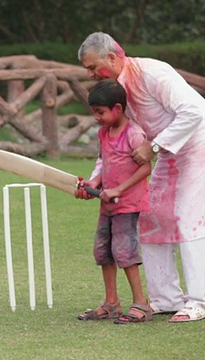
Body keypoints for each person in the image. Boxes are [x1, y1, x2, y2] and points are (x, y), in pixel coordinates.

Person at [77, 32, 205, 322]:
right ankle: (165, 298)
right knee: (149, 215)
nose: (90, 74)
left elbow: (192, 113)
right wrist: (97, 178)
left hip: (199, 142)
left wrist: (155, 146)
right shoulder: (116, 91)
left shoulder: (153, 72)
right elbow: (113, 144)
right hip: (165, 149)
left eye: (93, 67)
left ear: (112, 57)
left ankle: (199, 301)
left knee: (190, 215)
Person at [75, 80, 152, 324]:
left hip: (127, 205)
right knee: (103, 252)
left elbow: (146, 168)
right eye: (94, 112)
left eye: (100, 112)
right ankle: (111, 304)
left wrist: (118, 189)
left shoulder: (134, 134)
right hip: (107, 205)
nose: (96, 117)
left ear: (117, 109)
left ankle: (141, 304)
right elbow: (103, 162)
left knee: (124, 252)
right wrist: (94, 183)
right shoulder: (103, 133)